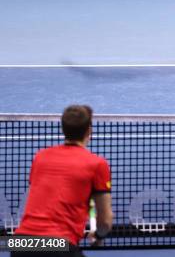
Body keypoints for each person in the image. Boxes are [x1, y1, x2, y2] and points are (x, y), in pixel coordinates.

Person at [12, 105, 113, 257]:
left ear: (63, 129)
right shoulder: (97, 164)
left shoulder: (40, 157)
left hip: (20, 244)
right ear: (89, 131)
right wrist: (98, 236)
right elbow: (105, 221)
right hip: (58, 245)